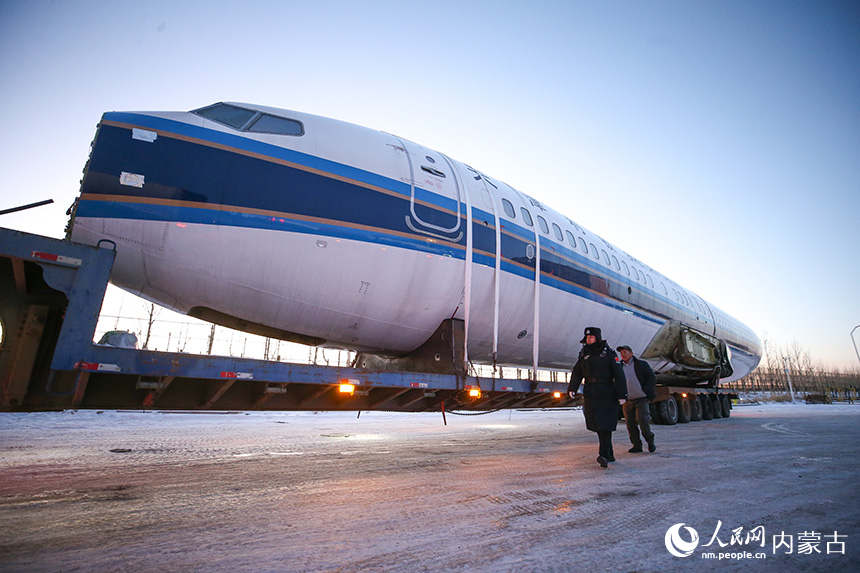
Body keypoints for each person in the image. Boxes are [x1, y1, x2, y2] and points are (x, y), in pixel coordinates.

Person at [568, 327, 627, 468]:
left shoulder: (609, 354)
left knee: (604, 423)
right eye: (587, 338)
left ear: (597, 338)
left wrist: (622, 394)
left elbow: (619, 374)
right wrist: (572, 388)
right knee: (595, 422)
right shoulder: (584, 354)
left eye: (591, 337)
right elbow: (577, 373)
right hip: (590, 392)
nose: (588, 340)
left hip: (606, 391)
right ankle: (610, 453)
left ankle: (604, 455)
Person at [616, 345, 657, 453]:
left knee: (643, 421)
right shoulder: (619, 367)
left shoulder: (641, 364)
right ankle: (636, 445)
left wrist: (646, 390)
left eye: (625, 352)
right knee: (630, 424)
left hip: (641, 398)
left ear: (631, 353)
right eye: (621, 353)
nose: (623, 354)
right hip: (627, 400)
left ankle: (650, 441)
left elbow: (651, 377)